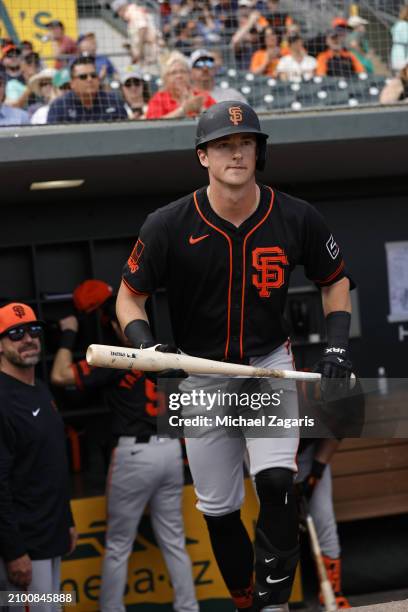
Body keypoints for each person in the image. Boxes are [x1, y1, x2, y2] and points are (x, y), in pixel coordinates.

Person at [116, 100, 354, 612]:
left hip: (265, 365)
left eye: (246, 143)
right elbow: (128, 297)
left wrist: (337, 346)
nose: (237, 152)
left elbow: (335, 283)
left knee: (274, 480)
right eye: (224, 144)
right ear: (203, 155)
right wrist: (147, 348)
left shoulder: (295, 215)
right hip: (201, 374)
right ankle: (247, 599)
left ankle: (273, 603)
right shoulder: (167, 223)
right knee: (219, 510)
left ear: (258, 151)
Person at [50, 280, 199, 612]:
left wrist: (69, 334)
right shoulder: (167, 351)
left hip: (135, 454)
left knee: (118, 545)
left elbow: (59, 376)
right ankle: (188, 608)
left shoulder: (116, 358)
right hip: (171, 451)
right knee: (174, 542)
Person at [0, 302, 76, 610]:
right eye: (15, 333)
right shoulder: (2, 399)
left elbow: (51, 463)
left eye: (33, 330)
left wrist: (67, 520)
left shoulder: (41, 389)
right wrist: (14, 550)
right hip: (24, 546)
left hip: (50, 534)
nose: (28, 338)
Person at [296, 439, 351, 609]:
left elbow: (337, 426)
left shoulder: (333, 414)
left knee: (323, 519)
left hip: (308, 453)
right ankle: (274, 602)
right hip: (263, 453)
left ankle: (332, 596)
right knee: (279, 527)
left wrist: (315, 474)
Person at [47, 55, 127, 124]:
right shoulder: (59, 107)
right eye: (83, 77)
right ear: (72, 84)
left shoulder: (113, 102)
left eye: (93, 75)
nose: (90, 79)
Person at [146, 51, 215, 119]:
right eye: (174, 73)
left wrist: (200, 109)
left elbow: (217, 121)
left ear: (189, 75)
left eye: (183, 71)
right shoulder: (158, 99)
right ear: (165, 78)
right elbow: (154, 124)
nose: (179, 76)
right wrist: (183, 110)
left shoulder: (202, 96)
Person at [111, 0, 162, 75]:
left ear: (122, 8)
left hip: (152, 57)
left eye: (118, 12)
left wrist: (139, 51)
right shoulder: (131, 15)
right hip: (147, 59)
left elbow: (142, 28)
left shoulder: (134, 12)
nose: (119, 15)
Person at [391, 5, 408, 73]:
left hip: (398, 50)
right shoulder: (403, 24)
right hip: (402, 51)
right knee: (402, 71)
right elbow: (405, 39)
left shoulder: (399, 23)